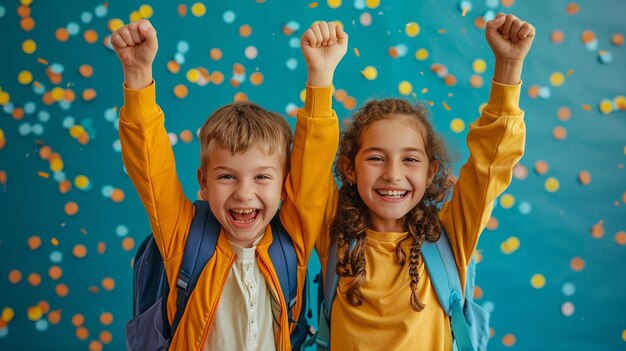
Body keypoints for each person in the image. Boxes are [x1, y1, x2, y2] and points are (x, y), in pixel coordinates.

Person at [112, 19, 347, 350]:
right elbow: (152, 170)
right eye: (226, 176)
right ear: (203, 184)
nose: (244, 192)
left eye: (262, 176)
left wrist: (321, 79)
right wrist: (137, 76)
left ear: (284, 186)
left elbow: (313, 166)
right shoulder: (183, 236)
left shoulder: (292, 239)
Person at [312, 13, 535, 350]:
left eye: (410, 159)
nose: (392, 173)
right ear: (348, 168)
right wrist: (320, 76)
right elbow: (310, 171)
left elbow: (491, 164)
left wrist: (508, 65)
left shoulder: (451, 237)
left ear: (430, 172)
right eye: (375, 157)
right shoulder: (332, 233)